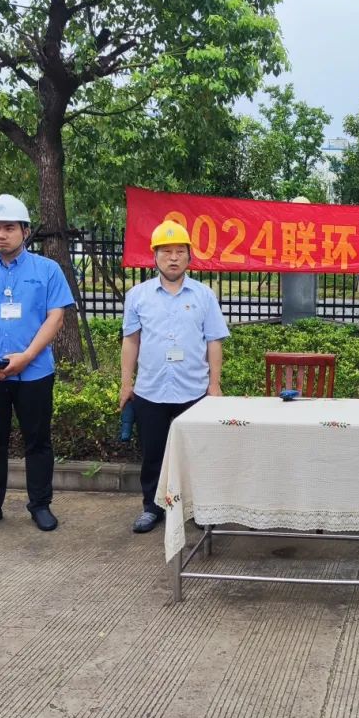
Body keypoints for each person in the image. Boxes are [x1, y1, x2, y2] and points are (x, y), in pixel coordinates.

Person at [0, 193, 75, 534]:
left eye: (9, 228)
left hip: (34, 373)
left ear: (25, 230)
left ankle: (40, 505)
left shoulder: (47, 270)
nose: (1, 235)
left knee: (38, 441)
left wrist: (28, 356)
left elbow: (56, 317)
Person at [120, 220, 229, 533]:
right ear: (154, 256)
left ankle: (198, 509)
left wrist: (214, 385)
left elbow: (214, 341)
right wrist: (126, 384)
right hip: (151, 389)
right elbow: (131, 341)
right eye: (166, 251)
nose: (173, 258)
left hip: (194, 389)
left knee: (196, 454)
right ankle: (151, 508)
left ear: (189, 256)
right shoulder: (138, 296)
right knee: (153, 453)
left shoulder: (204, 295)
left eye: (179, 251)